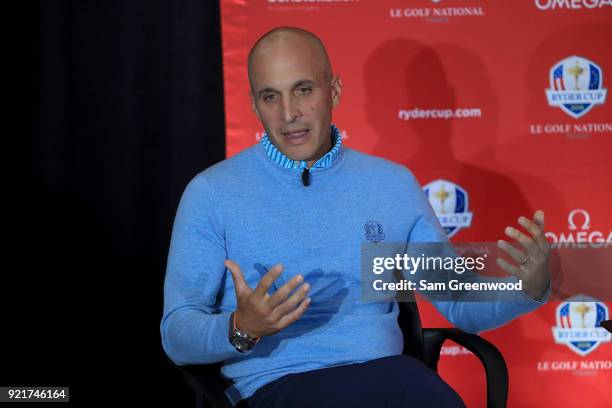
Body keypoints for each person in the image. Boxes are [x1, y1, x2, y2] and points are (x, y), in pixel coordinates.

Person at [161, 27, 551, 407]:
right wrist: (241, 328)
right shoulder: (212, 193)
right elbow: (177, 334)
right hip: (277, 387)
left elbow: (457, 299)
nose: (289, 114)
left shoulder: (390, 185)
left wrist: (526, 288)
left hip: (387, 378)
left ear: (333, 91)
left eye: (303, 90)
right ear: (254, 105)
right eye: (270, 96)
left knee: (415, 387)